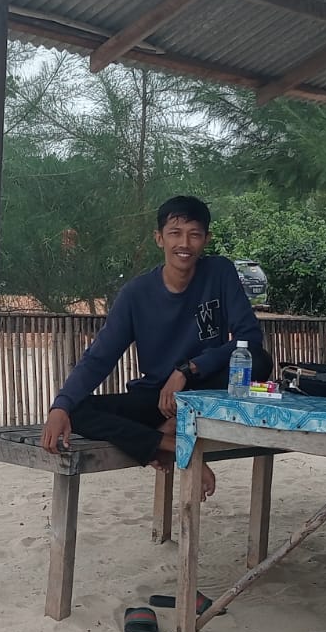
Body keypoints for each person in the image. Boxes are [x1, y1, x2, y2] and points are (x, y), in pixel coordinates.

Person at [39, 196, 272, 498]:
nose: (184, 243)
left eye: (195, 234)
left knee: (260, 361)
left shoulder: (220, 273)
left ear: (206, 239)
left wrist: (188, 369)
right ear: (159, 238)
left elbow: (249, 339)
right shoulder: (136, 294)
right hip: (157, 400)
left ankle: (177, 425)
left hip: (203, 391)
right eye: (175, 233)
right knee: (79, 410)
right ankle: (169, 442)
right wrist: (60, 406)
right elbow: (99, 358)